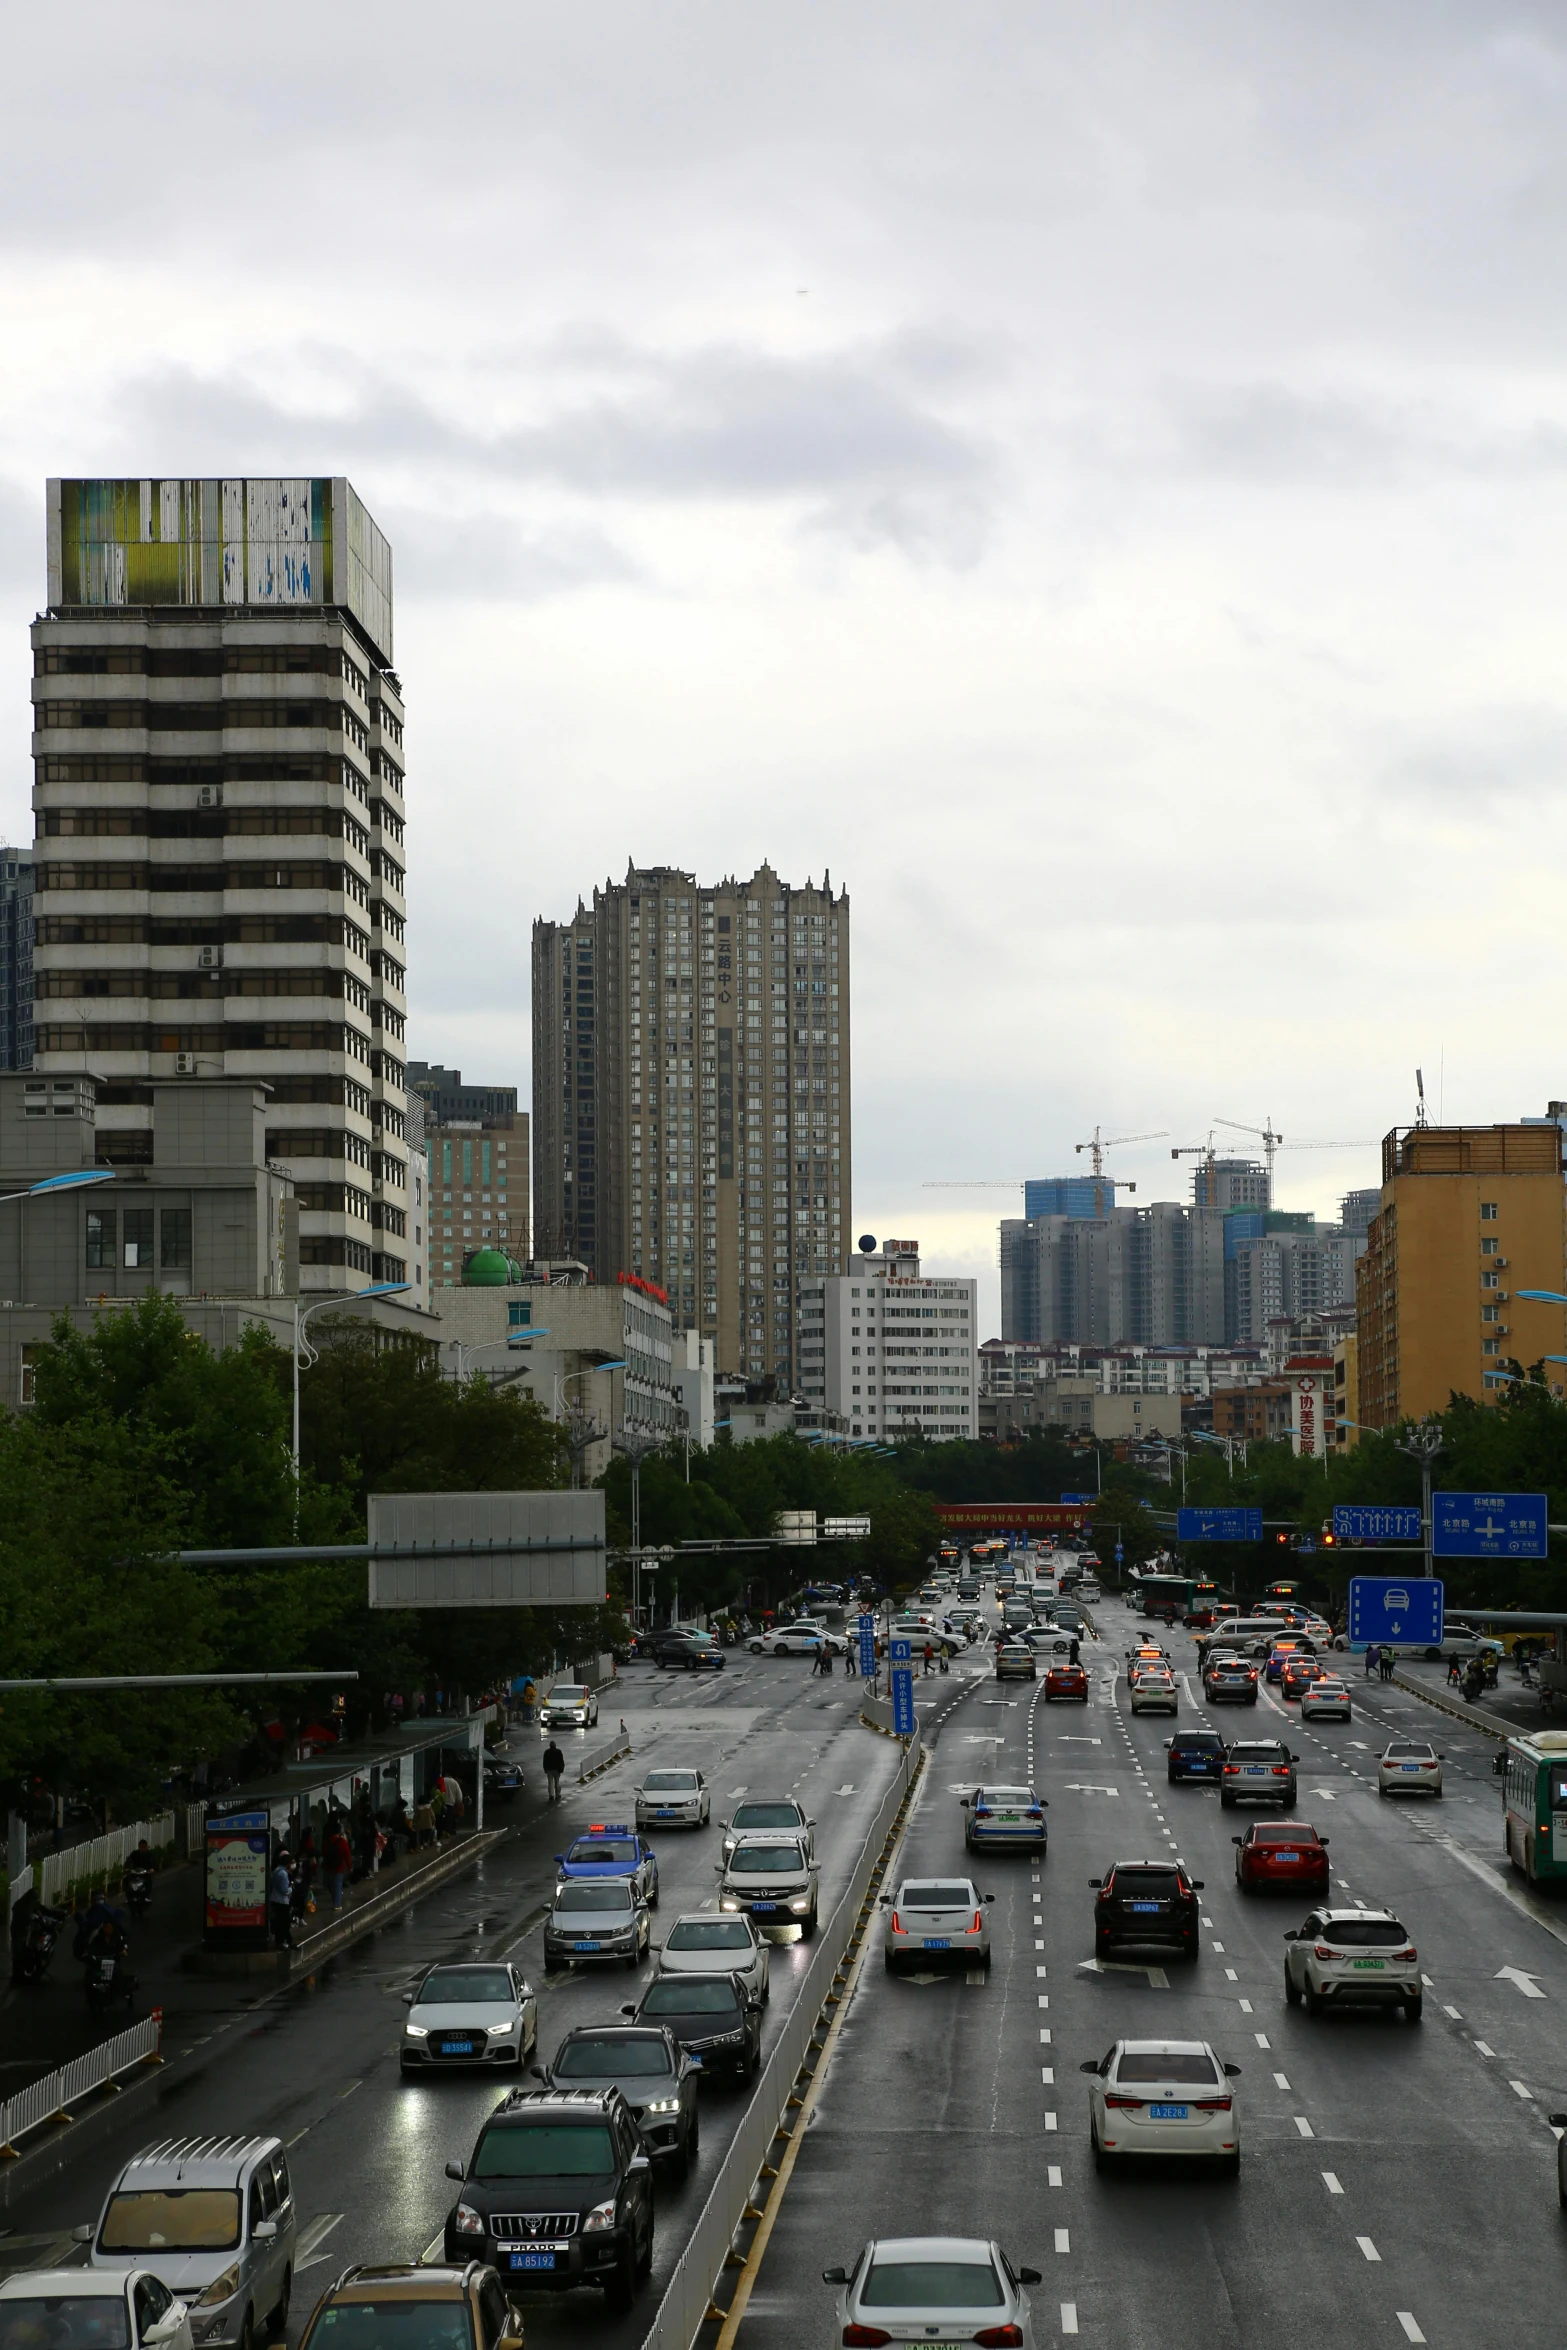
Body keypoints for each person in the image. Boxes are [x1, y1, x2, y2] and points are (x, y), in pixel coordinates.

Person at [324, 1819, 352, 1911]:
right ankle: (337, 1904)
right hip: (339, 1867)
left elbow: (323, 1852)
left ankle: (334, 1900)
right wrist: (350, 1867)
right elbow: (347, 1856)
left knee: (332, 1885)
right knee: (338, 1885)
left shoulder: (327, 1841)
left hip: (328, 1867)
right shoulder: (342, 1842)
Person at [269, 1852, 294, 1951]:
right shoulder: (283, 1873)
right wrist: (291, 1888)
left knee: (281, 1922)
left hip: (275, 1899)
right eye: (292, 1862)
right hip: (282, 1901)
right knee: (283, 1923)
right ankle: (280, 1942)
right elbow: (284, 1891)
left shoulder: (276, 1870)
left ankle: (285, 1940)